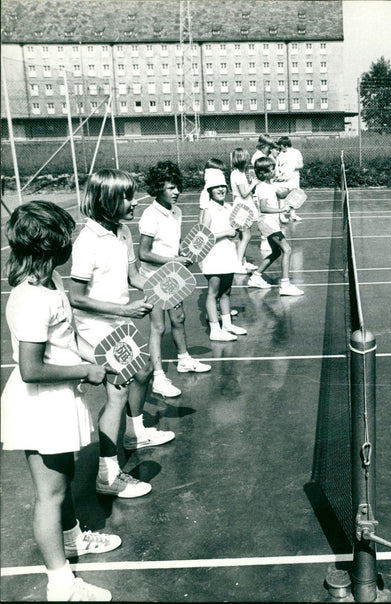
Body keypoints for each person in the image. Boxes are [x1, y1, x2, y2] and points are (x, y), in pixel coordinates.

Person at [2, 201, 118, 601]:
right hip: (41, 404)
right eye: (66, 237)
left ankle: (72, 541)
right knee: (49, 496)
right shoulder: (32, 298)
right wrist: (85, 371)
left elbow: (68, 337)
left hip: (58, 398)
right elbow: (31, 368)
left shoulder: (51, 281)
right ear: (52, 246)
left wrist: (97, 359)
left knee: (62, 481)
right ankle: (60, 584)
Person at [70, 169, 175, 498]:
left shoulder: (123, 231)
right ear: (107, 200)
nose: (134, 202)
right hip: (95, 326)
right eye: (127, 197)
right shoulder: (87, 242)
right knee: (118, 392)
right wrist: (124, 311)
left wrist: (163, 286)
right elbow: (76, 297)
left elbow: (134, 276)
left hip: (118, 321)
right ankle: (108, 474)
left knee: (143, 371)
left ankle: (134, 433)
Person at [140, 161, 211, 398]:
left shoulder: (177, 211)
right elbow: (144, 253)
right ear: (158, 188)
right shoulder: (150, 215)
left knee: (179, 319)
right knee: (158, 327)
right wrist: (173, 260)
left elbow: (174, 243)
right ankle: (159, 377)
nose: (177, 191)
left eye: (177, 187)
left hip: (173, 275)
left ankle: (184, 360)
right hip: (154, 278)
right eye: (171, 188)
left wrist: (182, 254)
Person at [199, 168, 249, 340]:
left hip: (227, 253)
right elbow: (202, 237)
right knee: (213, 292)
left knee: (226, 291)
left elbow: (233, 229)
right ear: (209, 190)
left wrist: (235, 232)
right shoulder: (208, 209)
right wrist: (226, 232)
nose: (220, 189)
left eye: (223, 186)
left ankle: (227, 325)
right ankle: (215, 330)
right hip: (213, 255)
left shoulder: (228, 207)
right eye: (216, 187)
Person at [251, 156, 304, 296]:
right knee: (287, 250)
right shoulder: (262, 188)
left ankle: (255, 277)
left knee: (276, 252)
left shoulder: (270, 185)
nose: (275, 171)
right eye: (271, 169)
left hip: (270, 223)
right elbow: (263, 208)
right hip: (267, 223)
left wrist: (291, 189)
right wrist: (281, 210)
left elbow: (281, 194)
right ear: (263, 173)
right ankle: (285, 285)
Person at [229, 147, 262, 278]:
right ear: (242, 160)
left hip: (243, 205)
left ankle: (243, 261)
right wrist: (254, 183)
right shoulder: (237, 174)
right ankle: (238, 264)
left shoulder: (239, 173)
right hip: (242, 207)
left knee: (243, 236)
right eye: (247, 158)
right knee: (246, 236)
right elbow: (243, 193)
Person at [274, 136, 304, 222]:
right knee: (282, 196)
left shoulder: (296, 152)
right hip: (283, 179)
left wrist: (291, 168)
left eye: (281, 146)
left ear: (285, 145)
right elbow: (277, 167)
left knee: (294, 196)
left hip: (294, 178)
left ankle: (292, 215)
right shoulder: (280, 154)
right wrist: (279, 174)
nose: (280, 148)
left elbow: (301, 165)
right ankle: (282, 215)